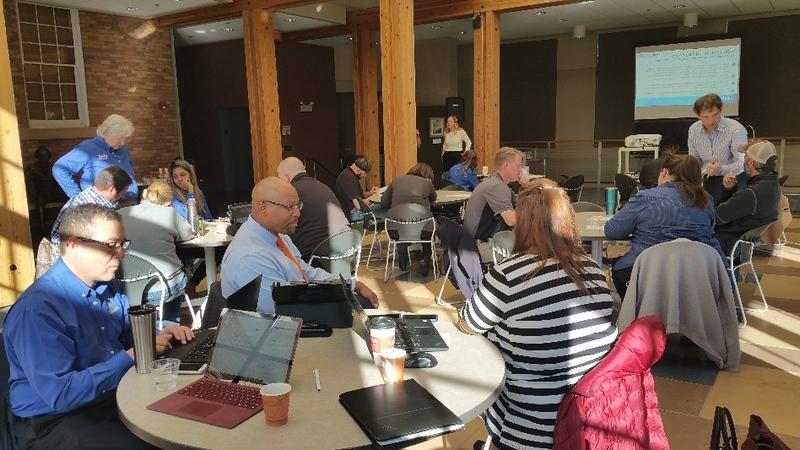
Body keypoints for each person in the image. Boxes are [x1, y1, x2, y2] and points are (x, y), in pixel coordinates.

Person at [3, 204, 194, 450]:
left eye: (121, 244)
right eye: (110, 245)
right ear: (73, 245)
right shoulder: (39, 310)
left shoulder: (107, 286)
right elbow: (62, 395)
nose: (121, 254)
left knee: (184, 422)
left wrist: (158, 332)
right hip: (53, 420)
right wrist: (131, 356)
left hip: (109, 398)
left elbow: (127, 333)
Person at [456, 178, 617, 450]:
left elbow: (467, 325)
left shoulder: (507, 274)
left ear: (523, 221)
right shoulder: (594, 271)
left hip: (527, 423)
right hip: (589, 413)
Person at [221, 177, 379, 314]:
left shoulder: (278, 236)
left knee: (362, 303)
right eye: (289, 207)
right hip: (280, 330)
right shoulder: (251, 257)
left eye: (298, 205)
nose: (297, 213)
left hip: (298, 301)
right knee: (361, 310)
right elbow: (280, 314)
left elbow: (305, 272)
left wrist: (351, 285)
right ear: (263, 208)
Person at [605, 155, 726, 300]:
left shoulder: (645, 197)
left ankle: (637, 315)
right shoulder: (706, 199)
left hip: (648, 272)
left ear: (664, 172)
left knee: (619, 267)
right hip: (698, 272)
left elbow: (612, 231)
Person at [118, 181, 193, 324]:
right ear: (168, 202)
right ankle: (169, 323)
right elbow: (187, 235)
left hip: (126, 287)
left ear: (145, 193)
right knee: (186, 261)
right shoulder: (169, 213)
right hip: (164, 287)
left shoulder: (119, 213)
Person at [277, 157, 350, 260]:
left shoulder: (290, 192)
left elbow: (279, 226)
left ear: (286, 177)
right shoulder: (323, 186)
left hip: (315, 256)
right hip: (346, 248)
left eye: (279, 178)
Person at [715, 140, 781, 255]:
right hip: (744, 243)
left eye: (745, 157)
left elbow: (717, 217)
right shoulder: (774, 185)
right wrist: (728, 189)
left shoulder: (751, 193)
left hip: (727, 242)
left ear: (750, 162)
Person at [53, 114, 137, 201]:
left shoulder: (123, 148)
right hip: (103, 205)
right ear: (108, 133)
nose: (124, 142)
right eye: (122, 138)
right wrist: (78, 198)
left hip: (130, 201)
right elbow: (59, 169)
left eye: (127, 139)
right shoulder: (88, 148)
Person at [687, 93, 748, 204]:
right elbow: (694, 160)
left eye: (715, 115)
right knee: (708, 210)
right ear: (698, 115)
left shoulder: (736, 130)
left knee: (730, 213)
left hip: (734, 178)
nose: (711, 121)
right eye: (706, 117)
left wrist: (721, 169)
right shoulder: (693, 130)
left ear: (720, 111)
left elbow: (742, 163)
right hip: (708, 179)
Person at [51, 166, 133, 247]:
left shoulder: (84, 196)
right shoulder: (99, 210)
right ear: (111, 189)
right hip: (72, 252)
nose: (122, 197)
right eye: (122, 193)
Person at [380, 163, 437, 275]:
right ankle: (426, 259)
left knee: (401, 222)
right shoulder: (427, 183)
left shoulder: (396, 180)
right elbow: (433, 198)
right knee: (428, 225)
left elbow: (384, 202)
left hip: (394, 230)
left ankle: (403, 258)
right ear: (428, 175)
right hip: (422, 231)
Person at [463, 147, 523, 240]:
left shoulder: (494, 181)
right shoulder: (496, 186)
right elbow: (511, 220)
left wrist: (526, 186)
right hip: (480, 245)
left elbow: (519, 205)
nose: (521, 170)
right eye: (518, 166)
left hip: (472, 240)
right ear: (506, 166)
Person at [334, 156, 378, 221]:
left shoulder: (350, 174)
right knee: (382, 208)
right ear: (358, 170)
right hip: (352, 213)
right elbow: (358, 205)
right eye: (365, 173)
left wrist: (371, 193)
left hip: (353, 211)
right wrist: (375, 200)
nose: (365, 176)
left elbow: (358, 196)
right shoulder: (348, 177)